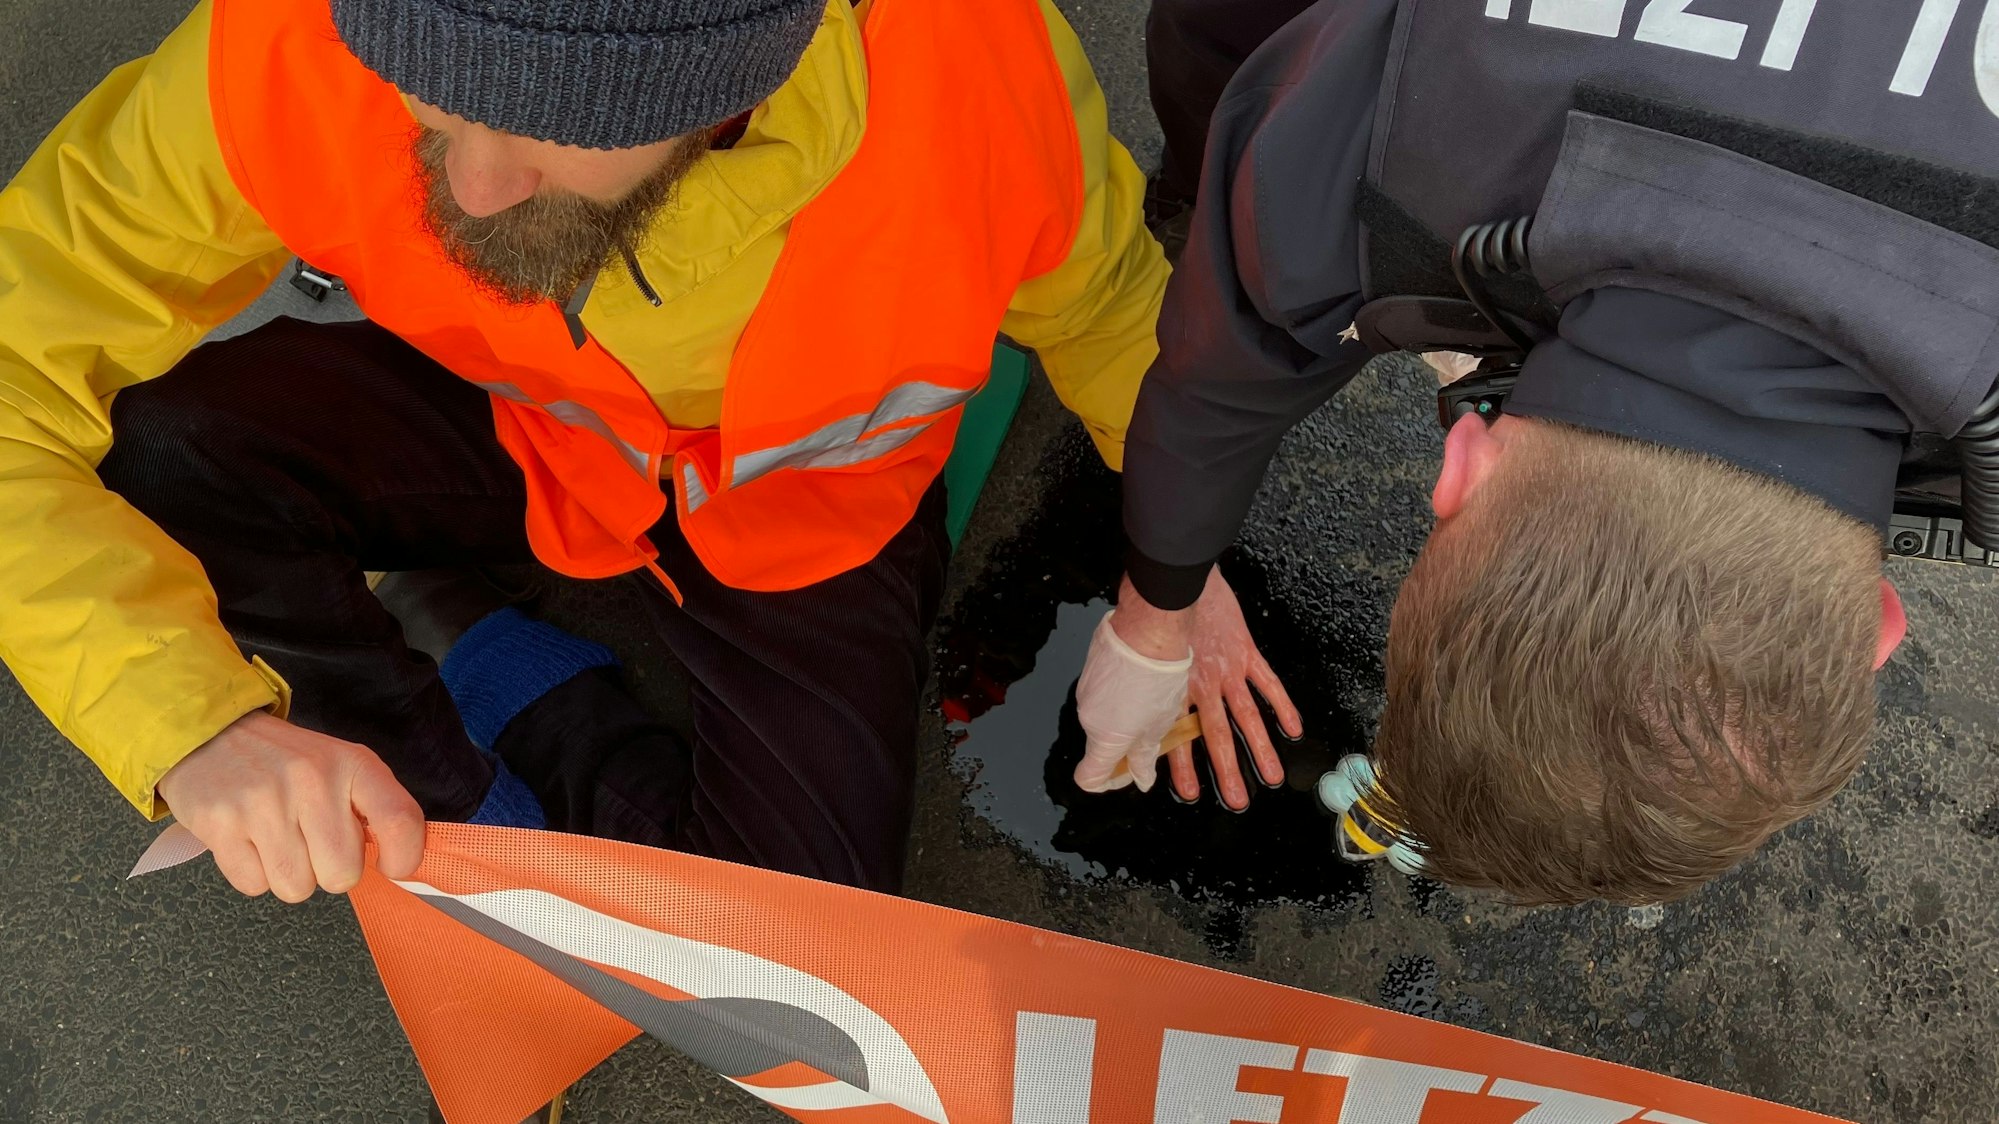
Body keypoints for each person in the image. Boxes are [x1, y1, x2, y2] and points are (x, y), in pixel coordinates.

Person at [0, 0, 1167, 904]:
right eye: (428, 99)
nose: (473, 184)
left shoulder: (967, 65)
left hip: (808, 514)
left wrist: (1177, 576)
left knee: (791, 946)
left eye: (554, 122)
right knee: (159, 453)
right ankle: (437, 792)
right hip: (525, 421)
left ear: (740, 72)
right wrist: (192, 723)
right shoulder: (279, 48)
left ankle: (463, 641)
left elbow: (1113, 306)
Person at [1077, 0, 1999, 904]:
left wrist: (1159, 614)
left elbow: (1231, 359)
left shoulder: (1379, 157)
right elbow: (1228, 355)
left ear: (1880, 629)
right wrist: (1153, 619)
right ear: (1458, 463)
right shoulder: (1372, 163)